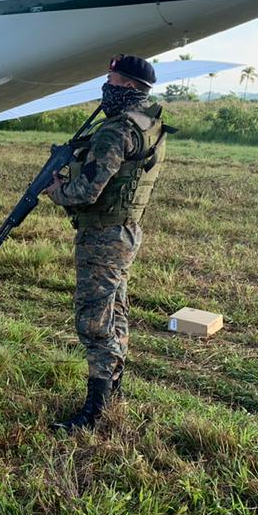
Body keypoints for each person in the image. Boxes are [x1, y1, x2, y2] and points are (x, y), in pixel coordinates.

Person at [43, 54, 169, 431]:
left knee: (96, 322)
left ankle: (94, 414)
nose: (107, 88)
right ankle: (112, 393)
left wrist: (56, 190)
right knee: (116, 315)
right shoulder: (149, 123)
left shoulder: (116, 131)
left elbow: (86, 190)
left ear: (129, 87)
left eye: (112, 82)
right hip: (126, 231)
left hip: (103, 237)